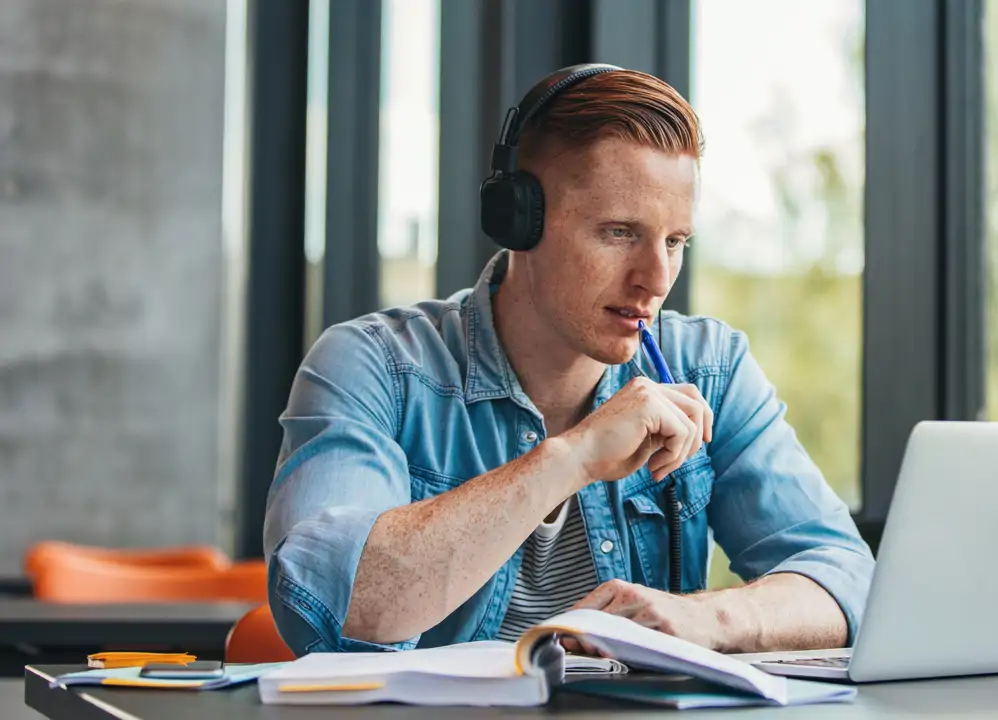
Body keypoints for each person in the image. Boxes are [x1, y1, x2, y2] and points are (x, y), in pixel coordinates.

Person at [263, 64, 875, 657]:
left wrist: (711, 618)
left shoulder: (709, 367)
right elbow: (330, 605)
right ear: (519, 221)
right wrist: (573, 457)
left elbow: (847, 579)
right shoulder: (374, 366)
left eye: (675, 241)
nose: (655, 279)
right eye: (618, 232)